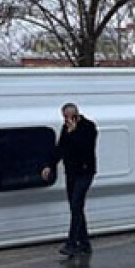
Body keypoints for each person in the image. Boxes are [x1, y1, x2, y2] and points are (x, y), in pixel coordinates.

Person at [41, 103, 98, 257]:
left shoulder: (89, 127)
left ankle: (72, 243)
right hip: (71, 172)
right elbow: (61, 148)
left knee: (76, 204)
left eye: (68, 117)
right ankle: (84, 243)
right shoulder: (65, 129)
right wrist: (50, 165)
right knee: (76, 207)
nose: (66, 120)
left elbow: (85, 147)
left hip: (85, 172)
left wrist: (73, 132)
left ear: (76, 115)